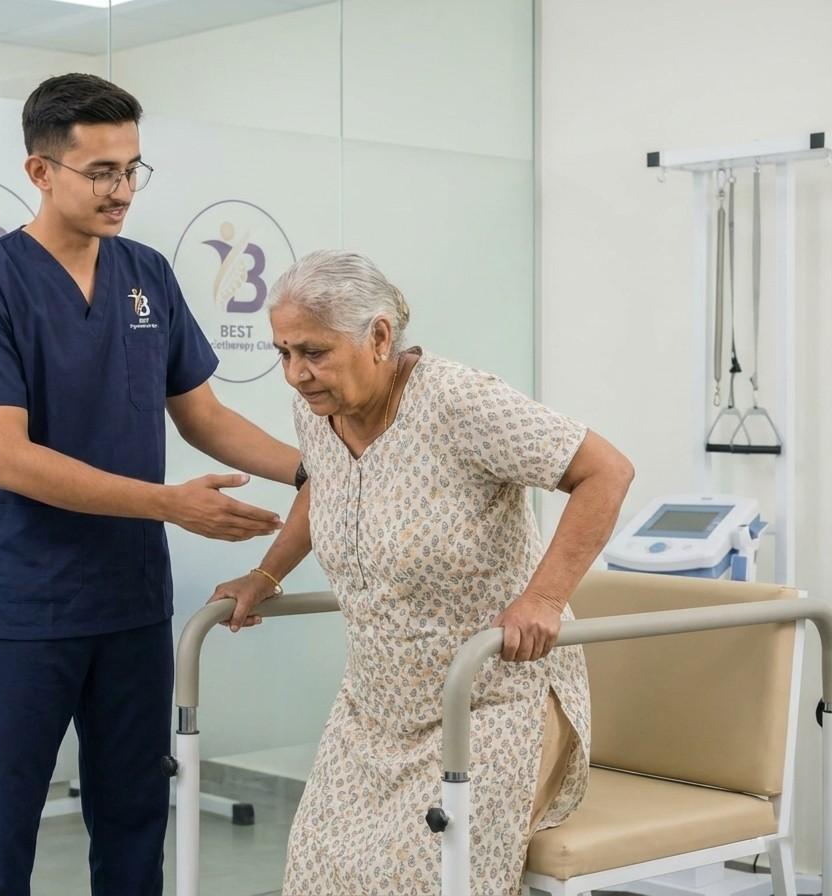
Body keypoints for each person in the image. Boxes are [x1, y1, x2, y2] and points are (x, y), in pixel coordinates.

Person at [0, 73, 301, 896]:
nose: (122, 189)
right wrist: (170, 505)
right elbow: (11, 460)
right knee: (0, 833)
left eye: (134, 167)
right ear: (40, 171)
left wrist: (312, 466)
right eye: (101, 170)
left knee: (136, 820)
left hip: (132, 605)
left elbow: (202, 415)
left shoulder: (148, 275)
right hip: (25, 607)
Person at [209, 250, 635, 896]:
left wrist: (544, 599)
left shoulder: (460, 401)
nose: (296, 374)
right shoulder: (319, 411)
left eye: (314, 352)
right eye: (284, 353)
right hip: (375, 706)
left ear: (379, 337)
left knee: (420, 877)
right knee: (315, 869)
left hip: (492, 700)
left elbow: (606, 471)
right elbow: (324, 486)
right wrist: (265, 576)